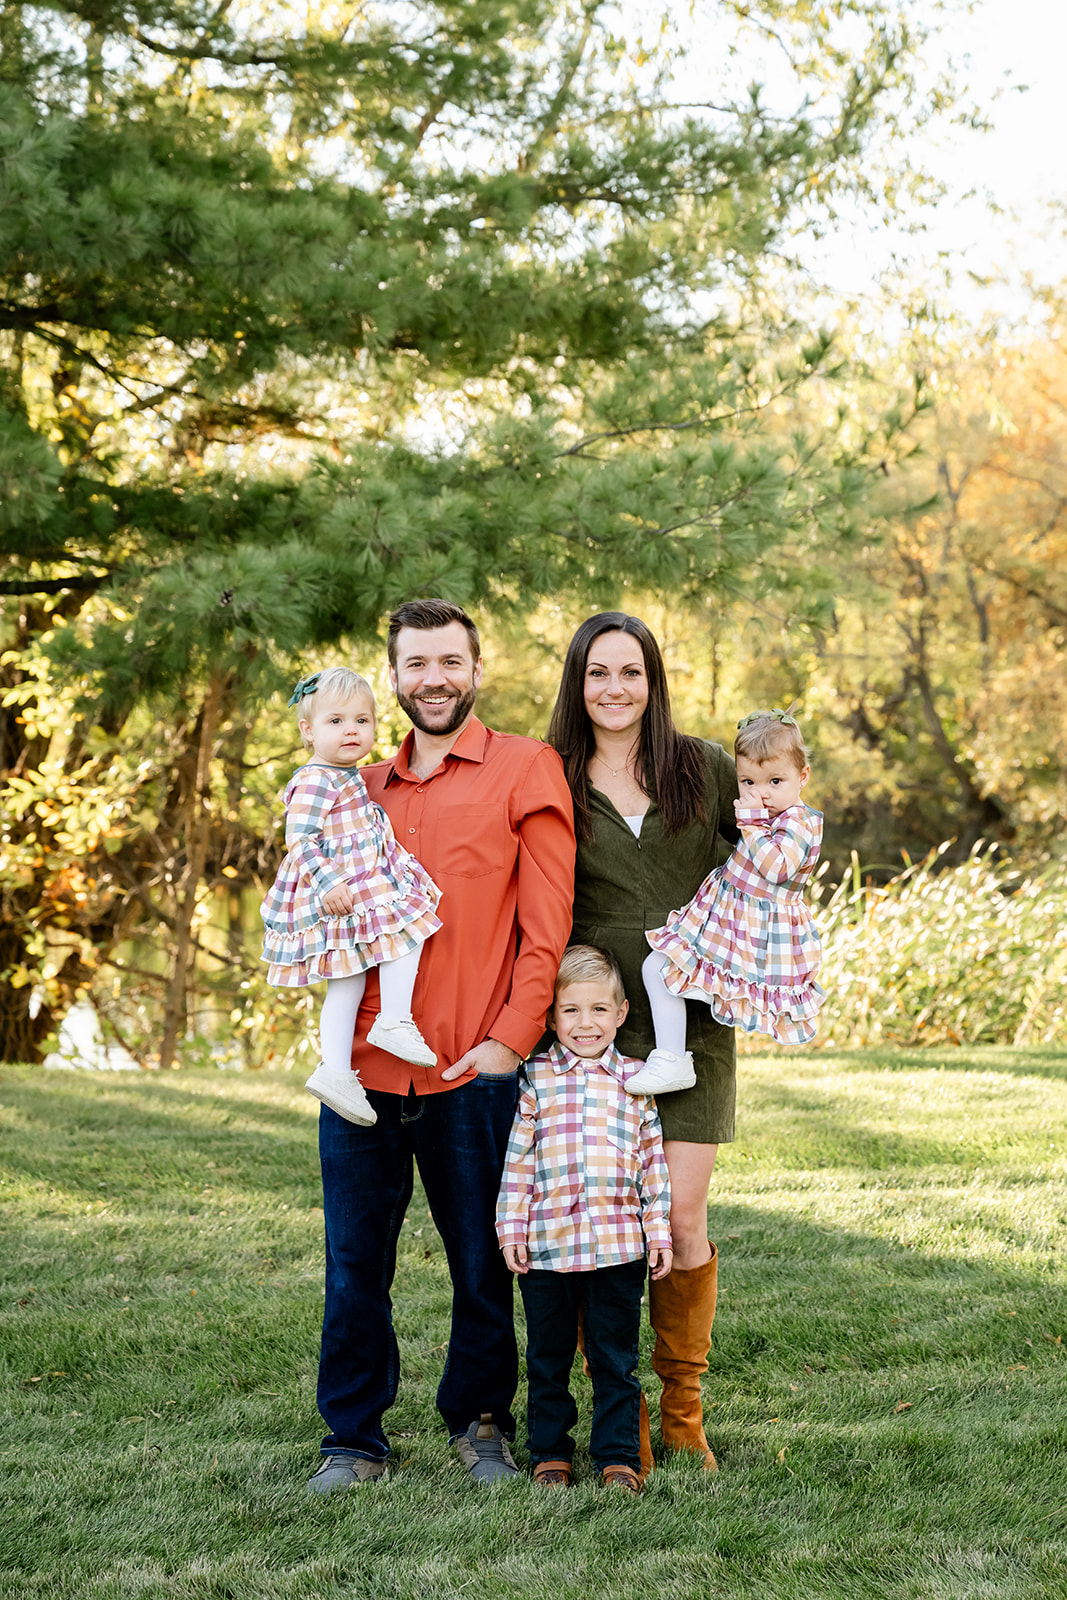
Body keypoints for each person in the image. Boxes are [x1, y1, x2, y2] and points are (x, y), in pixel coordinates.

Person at [307, 599, 575, 1495]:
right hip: (364, 1079)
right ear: (393, 677)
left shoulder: (525, 768)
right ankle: (352, 1439)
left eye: (449, 661)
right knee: (354, 1266)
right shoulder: (356, 786)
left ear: (475, 669)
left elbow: (547, 926)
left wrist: (509, 1040)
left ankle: (479, 1421)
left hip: (473, 1071)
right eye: (415, 663)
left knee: (480, 1260)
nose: (433, 678)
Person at [546, 611, 738, 1474]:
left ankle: (681, 1411)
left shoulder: (702, 767)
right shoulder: (548, 774)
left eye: (630, 672)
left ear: (653, 681)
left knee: (682, 1215)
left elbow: (770, 852)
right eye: (597, 673)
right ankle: (617, 1420)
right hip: (592, 1018)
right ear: (576, 684)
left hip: (692, 1015)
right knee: (605, 1220)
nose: (614, 689)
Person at [497, 946, 672, 1496]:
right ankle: (551, 1453)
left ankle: (618, 1457)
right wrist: (512, 1228)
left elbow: (652, 1163)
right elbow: (518, 1159)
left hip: (618, 1246)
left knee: (614, 1359)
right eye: (570, 1011)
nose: (585, 1023)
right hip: (548, 1245)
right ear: (551, 1017)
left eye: (599, 1010)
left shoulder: (638, 1081)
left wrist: (658, 1230)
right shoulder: (535, 1078)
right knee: (547, 1357)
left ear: (620, 1013)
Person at [260, 667, 442, 1127]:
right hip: (342, 889)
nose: (351, 731)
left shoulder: (344, 774)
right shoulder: (315, 779)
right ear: (308, 730)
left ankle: (337, 1070)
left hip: (356, 884)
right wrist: (328, 884)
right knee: (407, 929)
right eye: (336, 722)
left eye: (362, 721)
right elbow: (299, 840)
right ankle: (392, 1020)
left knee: (350, 979)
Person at [634, 708, 824, 1091]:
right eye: (748, 781)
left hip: (753, 932)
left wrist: (751, 824)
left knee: (661, 970)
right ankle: (672, 1057)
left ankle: (674, 1058)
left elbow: (776, 866)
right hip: (725, 918)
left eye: (775, 780)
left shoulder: (799, 823)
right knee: (659, 969)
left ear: (802, 777)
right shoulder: (766, 815)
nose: (760, 793)